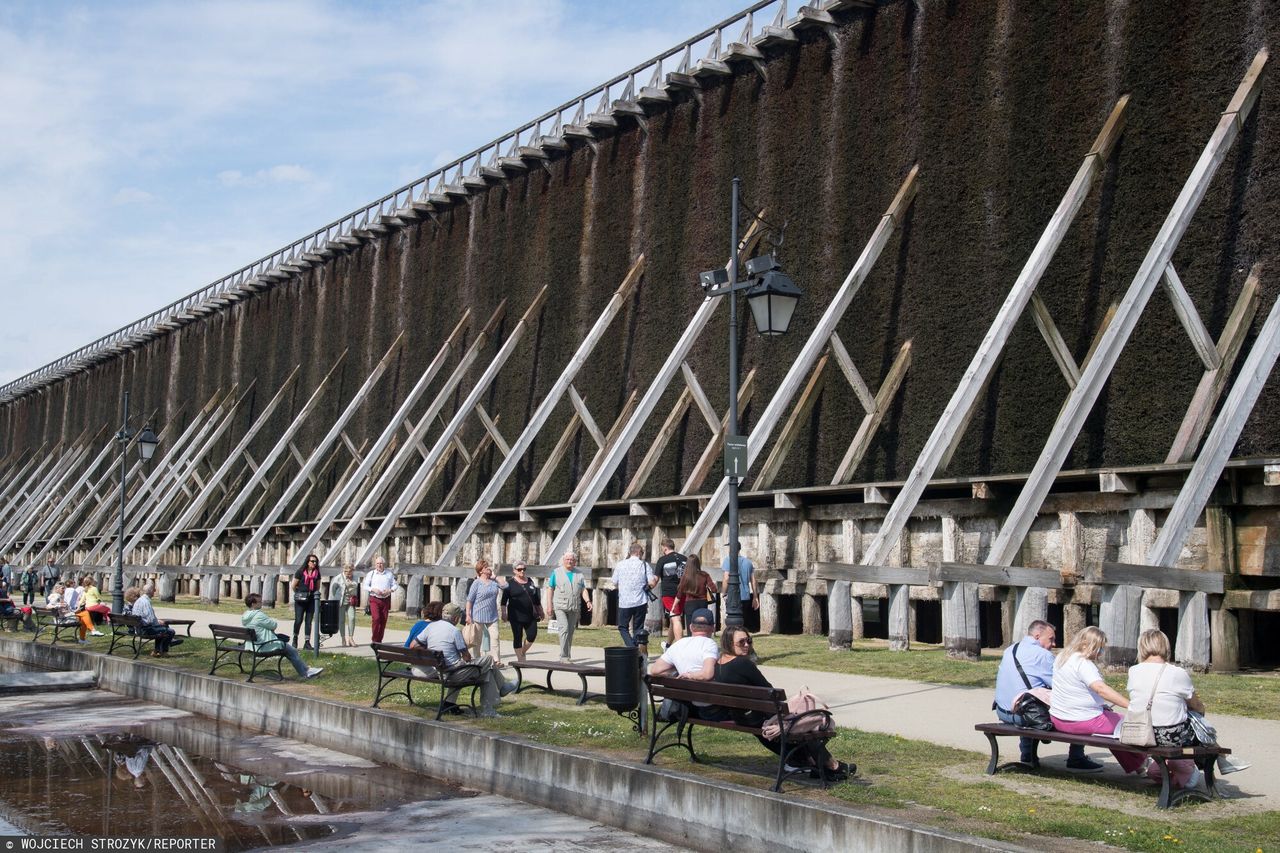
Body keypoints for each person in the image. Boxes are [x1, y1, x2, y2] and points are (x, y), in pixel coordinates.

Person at [709, 626, 851, 782]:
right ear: (729, 643)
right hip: (758, 717)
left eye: (748, 640)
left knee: (794, 724)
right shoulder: (743, 664)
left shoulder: (718, 663)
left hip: (742, 717)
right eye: (741, 642)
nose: (746, 645)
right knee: (804, 725)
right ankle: (834, 767)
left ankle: (817, 765)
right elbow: (769, 690)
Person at [1126, 628, 1247, 791]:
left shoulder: (1133, 671)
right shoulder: (1177, 673)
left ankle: (1218, 760)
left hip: (1139, 732)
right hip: (1169, 736)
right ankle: (1221, 759)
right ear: (1166, 647)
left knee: (1189, 721)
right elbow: (1196, 705)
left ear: (1142, 647)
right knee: (1197, 722)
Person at [993, 620, 1091, 769]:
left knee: (1028, 700)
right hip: (1023, 714)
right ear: (1037, 636)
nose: (1053, 643)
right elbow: (1061, 685)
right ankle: (1076, 757)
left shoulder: (1010, 650)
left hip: (1002, 711)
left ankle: (1027, 753)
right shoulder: (1042, 655)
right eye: (1051, 639)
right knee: (1081, 710)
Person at [1048, 626, 1141, 775]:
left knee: (1111, 723)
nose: (1100, 653)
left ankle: (1137, 764)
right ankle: (1140, 764)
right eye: (1099, 648)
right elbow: (1101, 689)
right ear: (1086, 645)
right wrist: (1130, 705)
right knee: (1124, 725)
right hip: (1081, 721)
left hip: (1058, 717)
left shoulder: (1061, 657)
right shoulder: (1083, 664)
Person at [412, 602, 515, 718]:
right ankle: (500, 691)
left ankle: (484, 706)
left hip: (439, 670)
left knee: (487, 672)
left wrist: (432, 650)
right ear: (456, 618)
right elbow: (467, 657)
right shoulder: (454, 631)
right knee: (489, 660)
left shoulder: (431, 627)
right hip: (452, 674)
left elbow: (413, 645)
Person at [241, 593, 323, 679]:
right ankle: (305, 673)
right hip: (264, 645)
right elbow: (273, 625)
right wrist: (270, 625)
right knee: (292, 651)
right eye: (259, 602)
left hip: (252, 645)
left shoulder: (246, 615)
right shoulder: (258, 615)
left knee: (290, 651)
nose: (261, 603)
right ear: (253, 604)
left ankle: (307, 670)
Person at [648, 608, 719, 682]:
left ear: (691, 627)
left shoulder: (678, 644)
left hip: (680, 691)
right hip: (702, 691)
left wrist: (675, 673)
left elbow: (655, 670)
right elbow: (707, 674)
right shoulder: (709, 644)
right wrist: (689, 675)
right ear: (713, 628)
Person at [545, 552, 592, 663]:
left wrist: (588, 601)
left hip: (574, 606)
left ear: (575, 561)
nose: (569, 561)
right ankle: (564, 656)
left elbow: (583, 589)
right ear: (563, 560)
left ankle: (567, 655)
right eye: (567, 559)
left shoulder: (579, 574)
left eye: (572, 559)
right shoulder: (556, 572)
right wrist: (549, 605)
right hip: (560, 606)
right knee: (564, 629)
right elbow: (550, 589)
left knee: (570, 631)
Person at [612, 542, 657, 648]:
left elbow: (614, 582)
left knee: (623, 627)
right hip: (640, 601)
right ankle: (634, 649)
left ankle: (632, 648)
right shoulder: (644, 565)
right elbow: (652, 582)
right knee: (638, 628)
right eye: (642, 552)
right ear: (638, 553)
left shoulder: (620, 564)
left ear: (630, 552)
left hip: (625, 602)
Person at [465, 559, 507, 665]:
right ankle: (477, 660)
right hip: (478, 615)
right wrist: (468, 615)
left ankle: (496, 660)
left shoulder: (493, 583)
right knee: (477, 640)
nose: (488, 568)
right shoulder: (476, 583)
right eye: (485, 567)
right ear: (480, 571)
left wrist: (495, 577)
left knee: (495, 637)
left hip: (492, 615)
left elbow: (506, 586)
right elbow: (469, 600)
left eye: (488, 566)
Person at [501, 560, 539, 662]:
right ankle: (520, 659)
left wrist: (541, 610)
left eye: (524, 569)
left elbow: (536, 598)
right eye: (519, 569)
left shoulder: (530, 581)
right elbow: (504, 601)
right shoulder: (509, 584)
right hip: (515, 615)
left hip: (530, 615)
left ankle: (522, 651)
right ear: (514, 571)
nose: (522, 571)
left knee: (532, 635)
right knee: (517, 636)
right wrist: (504, 613)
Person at [129, 583, 182, 657]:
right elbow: (150, 620)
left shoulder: (139, 600)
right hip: (145, 630)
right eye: (154, 590)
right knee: (170, 631)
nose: (155, 591)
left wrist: (157, 622)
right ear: (150, 591)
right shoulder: (146, 602)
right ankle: (163, 651)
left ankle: (158, 650)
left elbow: (147, 617)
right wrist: (158, 622)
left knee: (162, 629)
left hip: (138, 628)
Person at [654, 538, 687, 645]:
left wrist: (649, 585)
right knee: (675, 618)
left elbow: (656, 579)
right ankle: (668, 645)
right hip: (682, 592)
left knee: (676, 618)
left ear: (665, 548)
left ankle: (680, 648)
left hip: (668, 593)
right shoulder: (685, 559)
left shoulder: (662, 560)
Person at [720, 547, 759, 630]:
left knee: (732, 619)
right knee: (742, 619)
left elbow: (726, 578)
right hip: (745, 596)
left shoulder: (728, 560)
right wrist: (755, 597)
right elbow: (753, 581)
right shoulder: (748, 562)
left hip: (733, 595)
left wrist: (723, 592)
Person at [291, 555, 322, 649]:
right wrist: (299, 593)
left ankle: (307, 642)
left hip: (311, 599)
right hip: (300, 600)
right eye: (312, 561)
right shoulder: (300, 572)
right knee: (298, 620)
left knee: (308, 621)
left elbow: (317, 587)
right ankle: (295, 638)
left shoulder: (317, 573)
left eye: (316, 561)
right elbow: (293, 585)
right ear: (307, 562)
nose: (314, 563)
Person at [676, 555, 715, 629]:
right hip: (702, 602)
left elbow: (679, 593)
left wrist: (674, 605)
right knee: (702, 625)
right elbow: (714, 589)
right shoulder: (704, 575)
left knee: (690, 626)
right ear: (698, 563)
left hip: (689, 603)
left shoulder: (685, 576)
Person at [363, 557, 396, 644]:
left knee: (383, 620)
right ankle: (374, 639)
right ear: (375, 564)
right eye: (377, 563)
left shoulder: (389, 574)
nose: (379, 565)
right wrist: (373, 589)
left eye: (381, 563)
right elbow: (365, 586)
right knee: (376, 619)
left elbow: (395, 585)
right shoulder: (371, 574)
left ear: (384, 564)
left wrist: (389, 590)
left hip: (385, 600)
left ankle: (379, 640)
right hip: (374, 599)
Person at [329, 563, 359, 647]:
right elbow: (332, 591)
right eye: (347, 573)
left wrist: (351, 583)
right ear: (344, 571)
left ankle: (351, 638)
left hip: (351, 601)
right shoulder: (338, 578)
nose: (349, 575)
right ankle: (343, 638)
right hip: (341, 601)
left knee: (352, 618)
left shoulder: (355, 577)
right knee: (341, 620)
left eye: (351, 572)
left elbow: (355, 586)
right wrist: (332, 603)